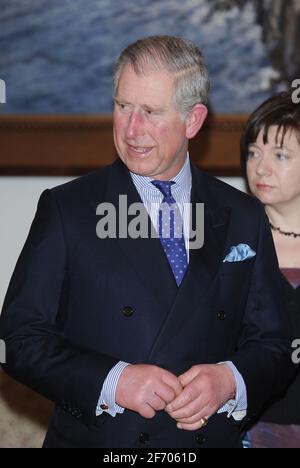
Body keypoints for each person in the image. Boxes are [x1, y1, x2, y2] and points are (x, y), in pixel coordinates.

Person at [0, 36, 294, 449]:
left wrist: (231, 380)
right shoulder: (68, 208)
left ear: (193, 121)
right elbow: (21, 339)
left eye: (151, 112)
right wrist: (113, 381)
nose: (131, 129)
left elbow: (276, 345)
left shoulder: (243, 215)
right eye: (123, 107)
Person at [241, 91, 300, 448]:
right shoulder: (221, 242)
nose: (260, 168)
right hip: (249, 433)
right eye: (253, 152)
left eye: (280, 155)